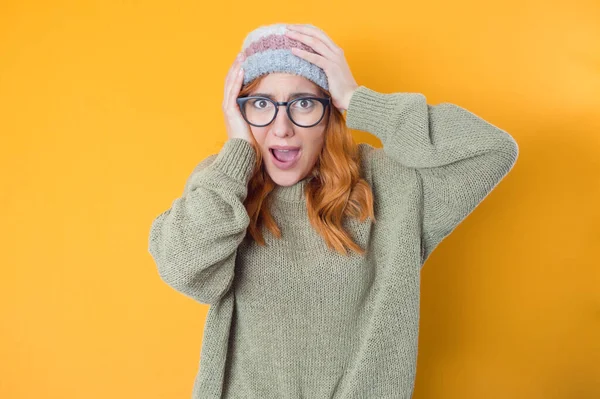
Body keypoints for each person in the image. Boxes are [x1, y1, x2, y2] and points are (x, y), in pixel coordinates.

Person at [148, 22, 519, 399]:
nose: (282, 128)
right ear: (239, 112)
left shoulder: (387, 186)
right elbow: (182, 267)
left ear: (330, 111)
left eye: (304, 103)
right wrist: (236, 159)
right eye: (261, 104)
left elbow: (491, 149)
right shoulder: (224, 184)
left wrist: (360, 100)